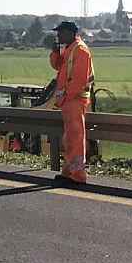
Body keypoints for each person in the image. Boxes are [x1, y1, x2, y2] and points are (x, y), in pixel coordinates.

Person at [49, 21, 94, 185]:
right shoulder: (69, 49)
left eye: (60, 33)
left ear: (69, 33)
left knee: (75, 136)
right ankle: (69, 171)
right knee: (69, 138)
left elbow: (79, 80)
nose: (58, 36)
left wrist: (66, 97)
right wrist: (55, 52)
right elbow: (57, 65)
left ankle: (78, 174)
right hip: (69, 102)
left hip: (75, 101)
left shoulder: (80, 50)